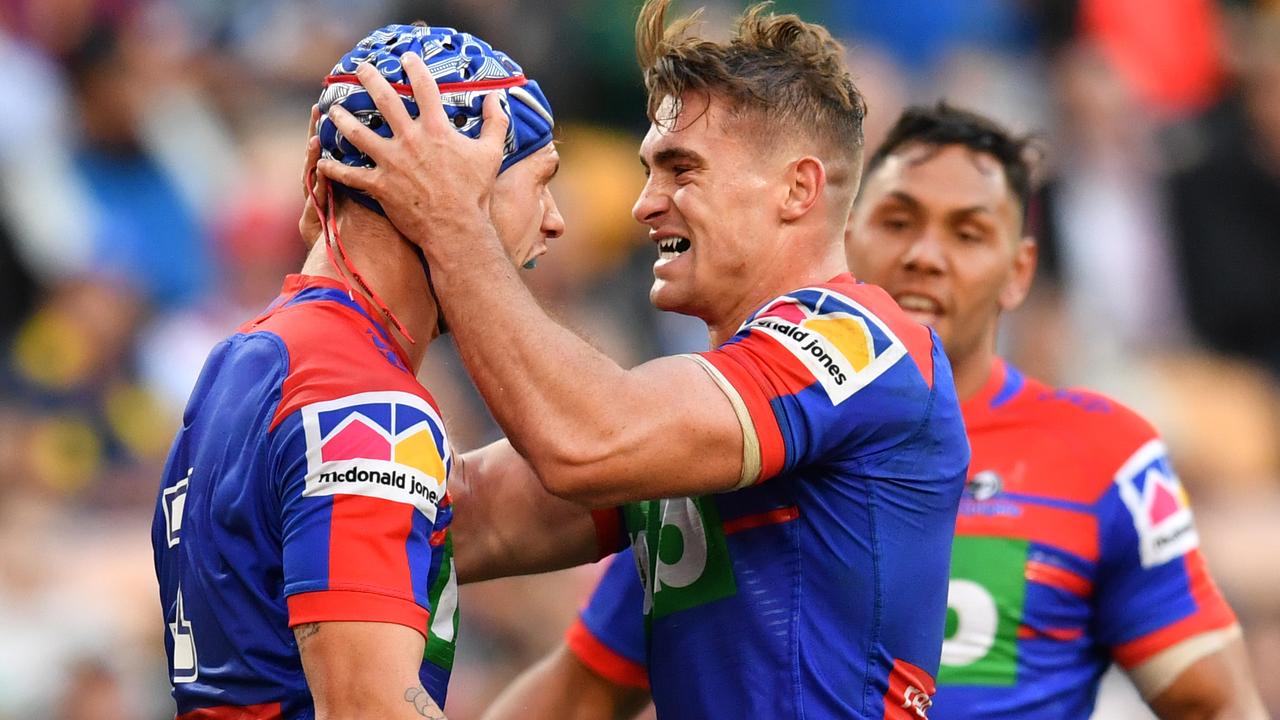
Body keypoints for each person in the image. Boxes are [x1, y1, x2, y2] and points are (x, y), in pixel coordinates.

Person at [484, 104, 1270, 720]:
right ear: (848, 234)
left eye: (969, 232)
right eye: (899, 221)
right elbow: (586, 688)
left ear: (1018, 269)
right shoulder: (732, 447)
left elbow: (1212, 702)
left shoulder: (1102, 455)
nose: (926, 254)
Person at [317, 1, 970, 718]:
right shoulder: (691, 445)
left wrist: (451, 223)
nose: (644, 204)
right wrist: (281, 452)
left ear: (798, 189)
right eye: (648, 169)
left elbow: (589, 442)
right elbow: (465, 522)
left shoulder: (863, 341)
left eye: (681, 169)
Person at [150, 23, 563, 720]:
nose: (555, 223)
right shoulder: (365, 403)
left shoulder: (246, 361)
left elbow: (480, 516)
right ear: (455, 186)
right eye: (542, 182)